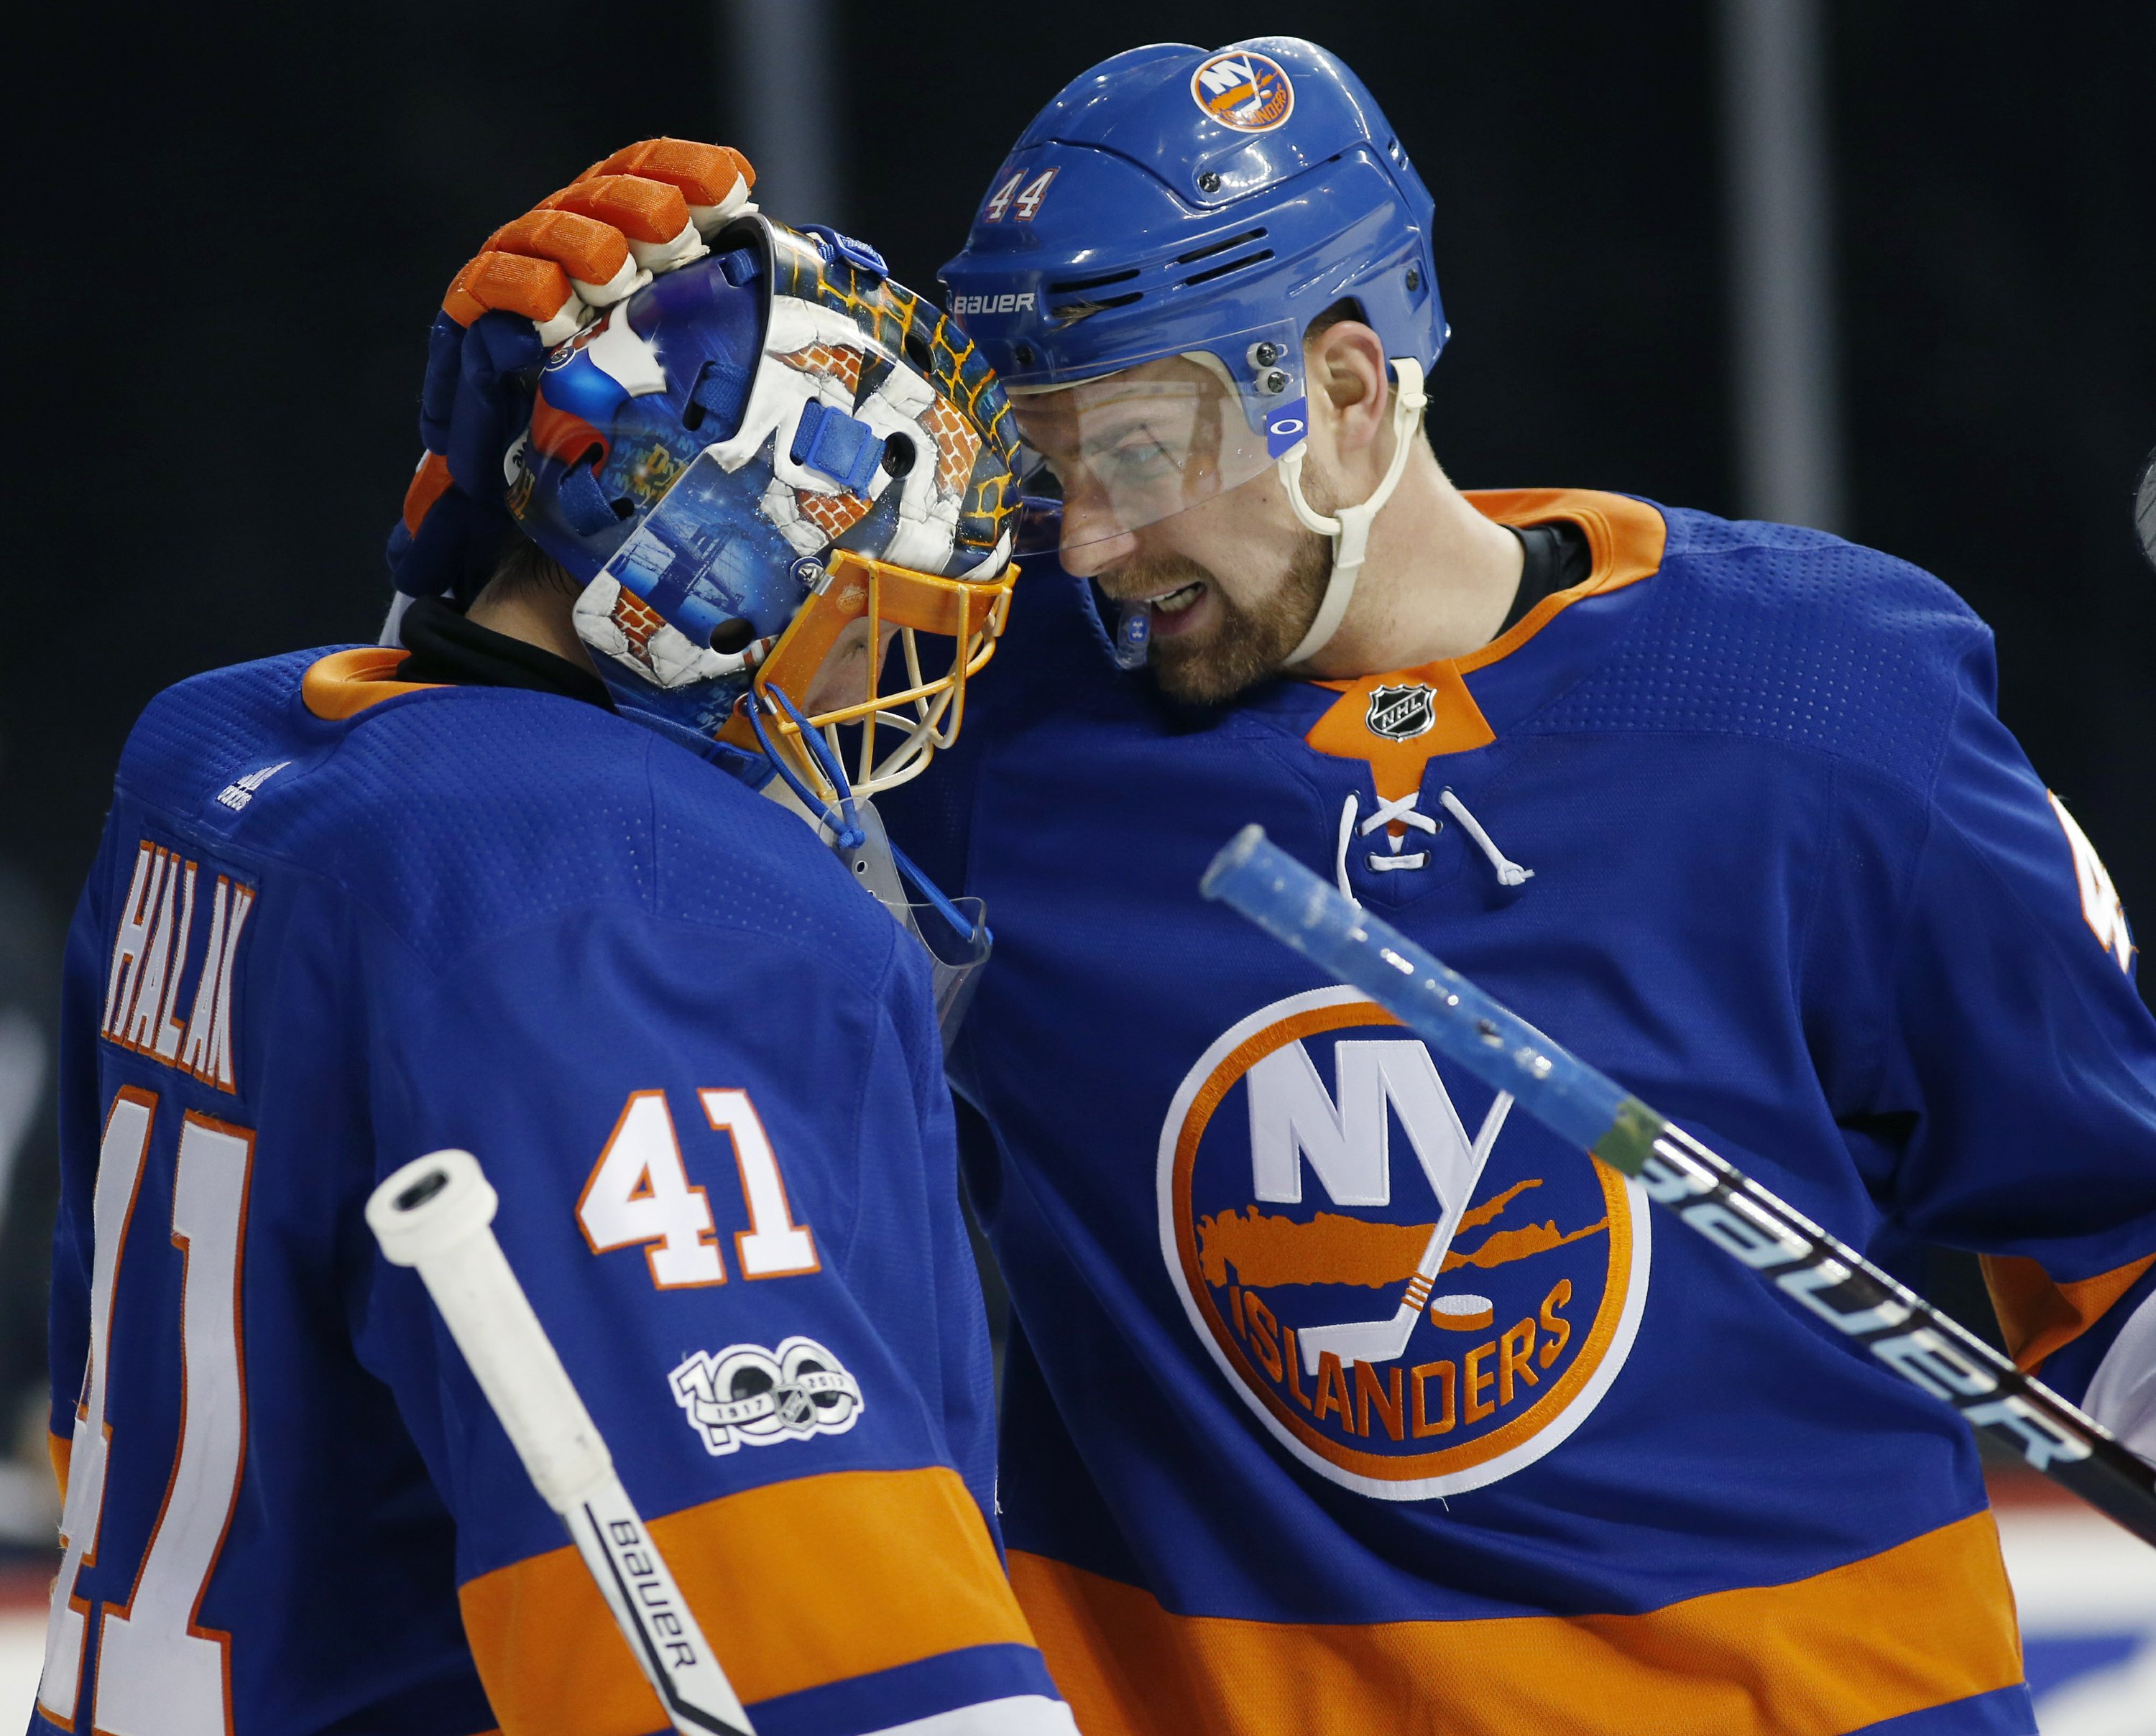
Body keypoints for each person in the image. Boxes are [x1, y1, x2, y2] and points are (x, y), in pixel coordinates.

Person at [405, 45, 2156, 1736]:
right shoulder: (971, 715)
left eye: (1143, 454)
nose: (1083, 537)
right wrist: (518, 483)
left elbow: (2113, 1230)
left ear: (1344, 393)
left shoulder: (1826, 699)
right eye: (1043, 457)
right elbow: (526, 792)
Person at [35, 139, 1074, 1736]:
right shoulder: (631, 892)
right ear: (719, 578)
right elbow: (808, 1659)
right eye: (881, 615)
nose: (889, 688)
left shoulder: (221, 755)